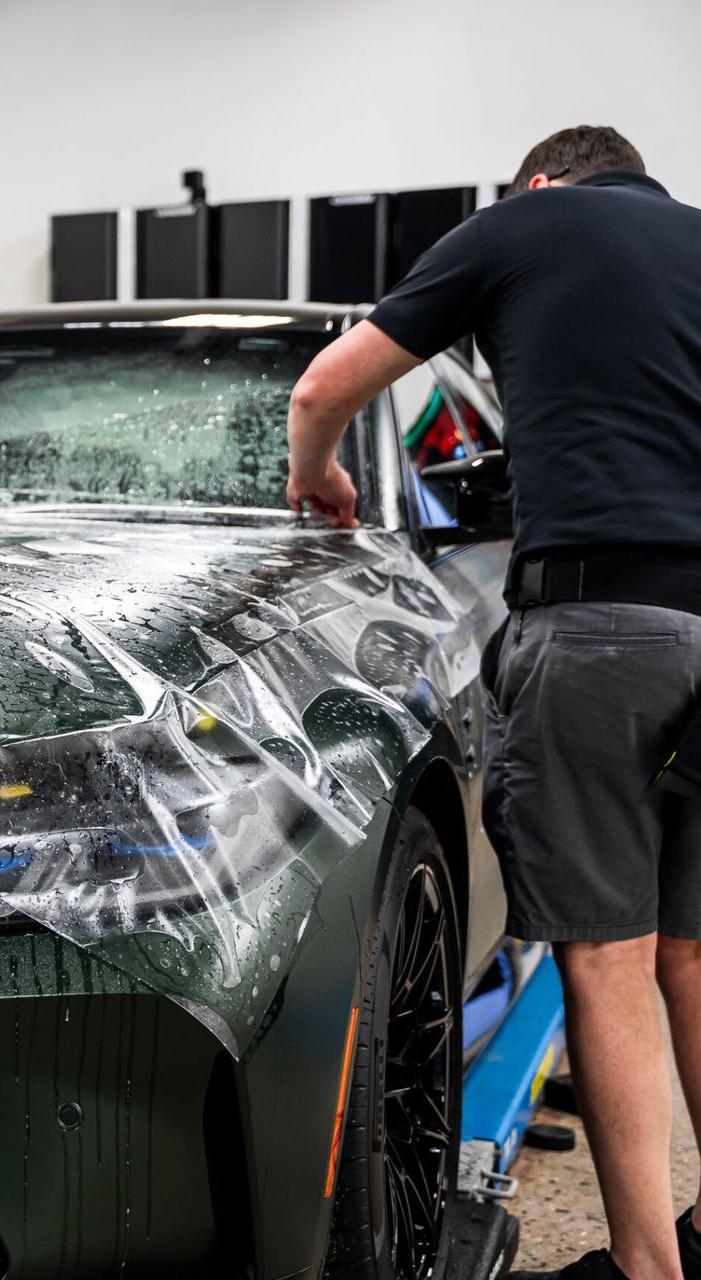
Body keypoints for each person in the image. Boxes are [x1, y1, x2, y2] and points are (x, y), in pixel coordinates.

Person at [288, 125, 701, 1280]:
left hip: (599, 625)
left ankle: (642, 1265)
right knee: (697, 951)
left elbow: (326, 383)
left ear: (537, 180)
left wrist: (314, 472)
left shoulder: (524, 225)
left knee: (610, 956)